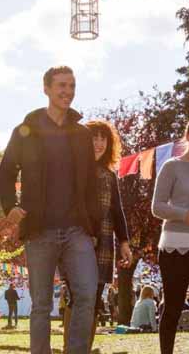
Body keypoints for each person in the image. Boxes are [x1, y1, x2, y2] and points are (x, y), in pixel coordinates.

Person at [0, 66, 101, 354]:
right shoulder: (26, 130)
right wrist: (11, 206)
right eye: (61, 85)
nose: (67, 91)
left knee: (86, 294)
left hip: (77, 230)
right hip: (39, 230)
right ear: (46, 89)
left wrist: (93, 229)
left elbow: (91, 186)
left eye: (72, 85)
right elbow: (5, 173)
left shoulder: (81, 134)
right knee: (41, 304)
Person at [63, 120, 133, 351]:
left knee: (94, 301)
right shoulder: (72, 170)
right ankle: (69, 350)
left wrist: (124, 242)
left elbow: (117, 211)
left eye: (104, 138)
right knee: (76, 297)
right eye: (94, 137)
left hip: (103, 243)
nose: (99, 143)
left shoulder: (109, 175)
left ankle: (83, 349)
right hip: (76, 239)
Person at [152, 116, 189, 354]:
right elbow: (157, 207)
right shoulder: (172, 166)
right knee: (174, 306)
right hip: (174, 246)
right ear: (188, 134)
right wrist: (185, 215)